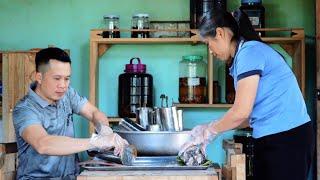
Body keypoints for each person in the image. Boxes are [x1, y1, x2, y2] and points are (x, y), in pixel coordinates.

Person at [180, 9, 314, 180]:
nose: (211, 51)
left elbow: (241, 112)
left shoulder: (249, 53)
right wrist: (207, 127)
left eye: (208, 44)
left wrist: (211, 131)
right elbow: (247, 116)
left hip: (287, 139)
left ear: (220, 33)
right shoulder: (241, 59)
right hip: (270, 139)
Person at [13, 47, 129, 179]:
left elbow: (93, 112)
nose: (63, 85)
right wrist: (97, 141)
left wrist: (105, 130)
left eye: (67, 78)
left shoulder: (67, 94)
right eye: (57, 78)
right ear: (39, 77)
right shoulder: (24, 109)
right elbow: (43, 144)